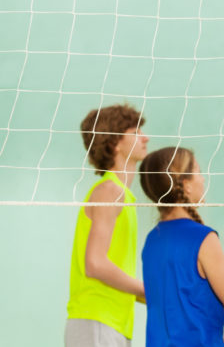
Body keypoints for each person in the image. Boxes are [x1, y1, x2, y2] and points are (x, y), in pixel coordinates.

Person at [139, 146, 224, 347]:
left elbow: (183, 297)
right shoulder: (203, 238)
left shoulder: (152, 240)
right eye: (198, 171)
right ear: (186, 185)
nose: (203, 179)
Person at [66, 104, 148, 347]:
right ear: (115, 143)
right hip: (97, 320)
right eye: (135, 133)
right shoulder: (110, 190)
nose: (146, 138)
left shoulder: (122, 194)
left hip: (112, 323)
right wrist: (152, 289)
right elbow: (95, 264)